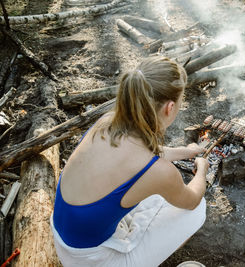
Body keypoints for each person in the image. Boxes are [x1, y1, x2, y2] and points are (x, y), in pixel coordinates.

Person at [51, 57, 209, 266]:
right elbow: (192, 200)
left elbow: (141, 156)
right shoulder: (160, 172)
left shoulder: (107, 122)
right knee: (196, 211)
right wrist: (202, 171)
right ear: (170, 107)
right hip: (90, 260)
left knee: (152, 194)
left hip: (64, 236)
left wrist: (186, 152)